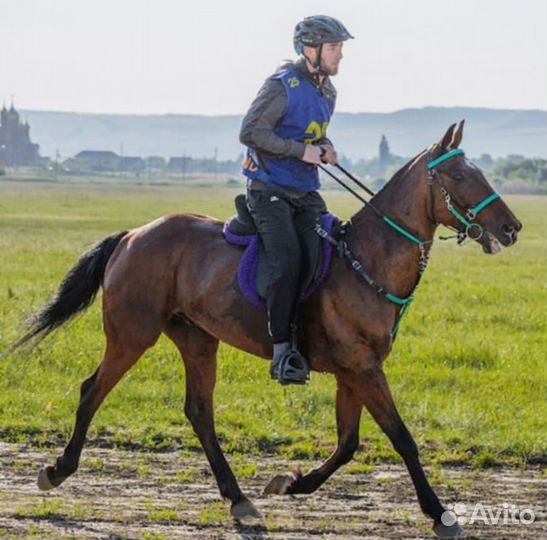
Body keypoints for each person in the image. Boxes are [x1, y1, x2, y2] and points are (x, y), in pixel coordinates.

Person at [239, 15, 353, 385]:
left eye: (340, 48)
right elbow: (251, 131)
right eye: (334, 48)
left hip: (305, 192)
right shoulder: (281, 86)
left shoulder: (328, 93)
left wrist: (325, 148)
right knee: (287, 262)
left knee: (329, 255)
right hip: (268, 190)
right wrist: (299, 151)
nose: (340, 56)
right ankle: (282, 352)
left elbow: (313, 135)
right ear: (310, 50)